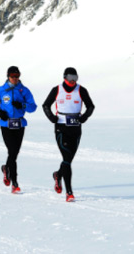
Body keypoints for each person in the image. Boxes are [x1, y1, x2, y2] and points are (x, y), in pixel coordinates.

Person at [42, 67, 95, 202]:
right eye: (70, 78)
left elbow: (91, 106)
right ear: (64, 77)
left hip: (76, 128)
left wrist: (84, 117)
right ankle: (69, 192)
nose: (73, 81)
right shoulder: (57, 89)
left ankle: (58, 175)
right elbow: (46, 105)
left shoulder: (81, 90)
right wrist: (51, 117)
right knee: (66, 158)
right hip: (61, 127)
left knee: (69, 160)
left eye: (75, 78)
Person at [0, 65, 37, 194]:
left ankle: (6, 169)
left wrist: (22, 105)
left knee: (14, 153)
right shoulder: (1, 90)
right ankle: (14, 183)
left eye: (17, 76)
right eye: (13, 76)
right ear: (8, 76)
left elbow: (33, 107)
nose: (15, 79)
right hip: (6, 124)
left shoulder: (24, 90)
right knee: (12, 152)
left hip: (19, 124)